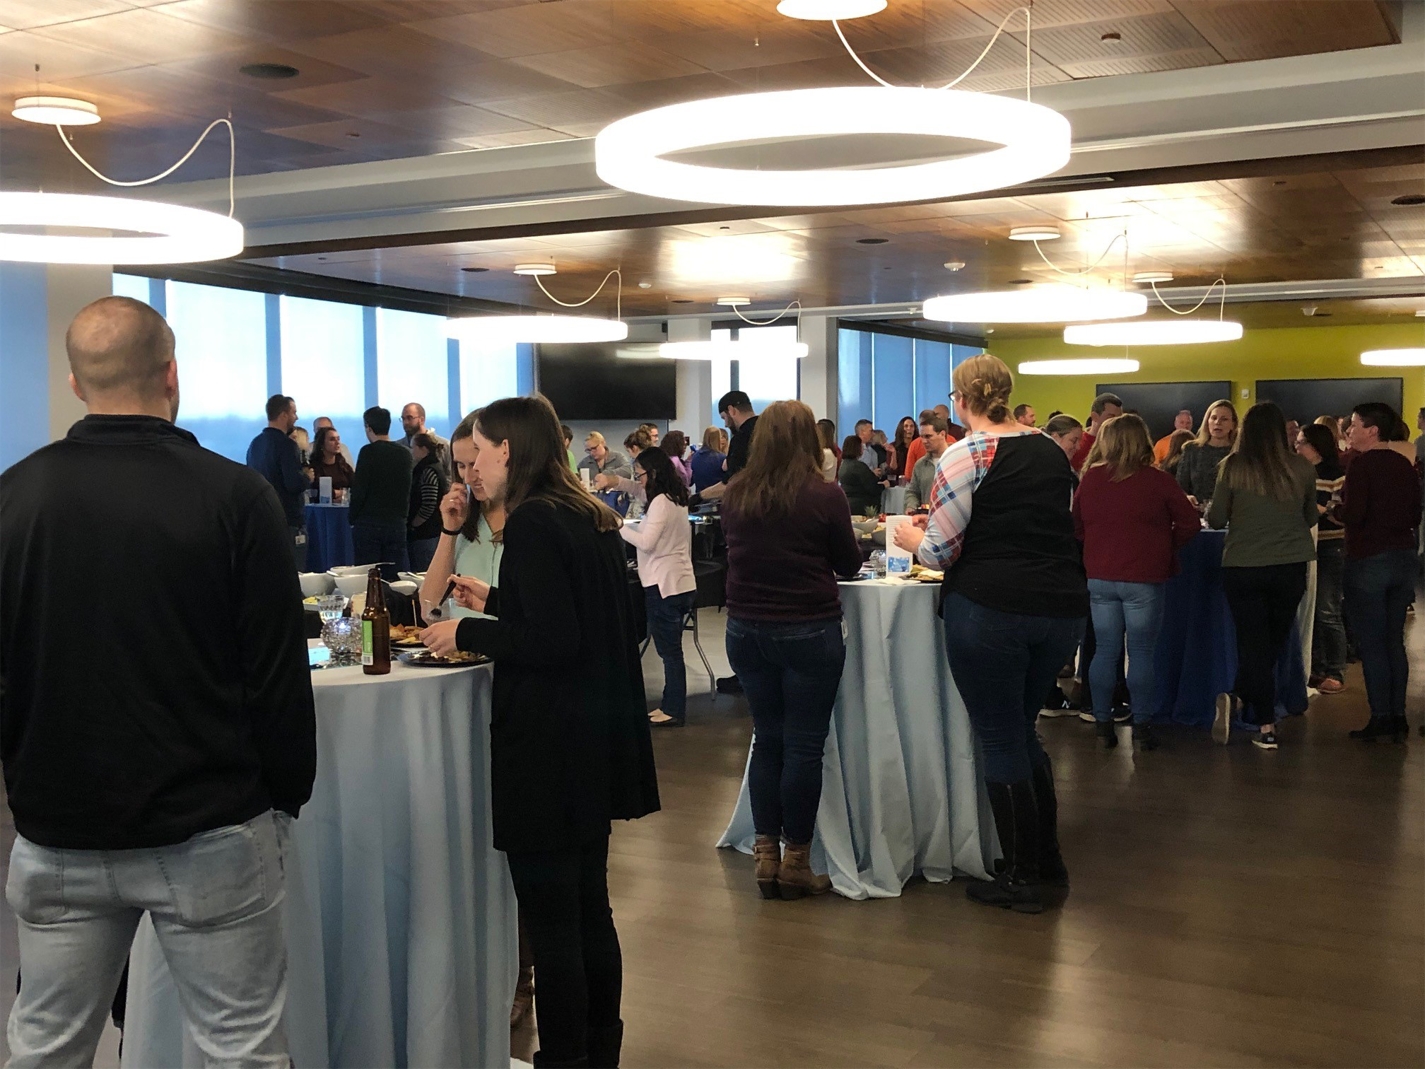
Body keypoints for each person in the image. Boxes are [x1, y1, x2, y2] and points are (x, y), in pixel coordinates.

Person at [1, 296, 314, 1066]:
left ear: (75, 384)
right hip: (212, 822)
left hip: (57, 825)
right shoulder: (235, 497)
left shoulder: (12, 497)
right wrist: (283, 800)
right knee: (239, 1048)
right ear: (172, 374)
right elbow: (277, 671)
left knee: (45, 1045)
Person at [420, 395, 658, 1069]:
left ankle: (564, 1054)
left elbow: (551, 640)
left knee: (553, 919)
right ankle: (596, 1048)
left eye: (483, 449)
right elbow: (580, 618)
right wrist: (495, 600)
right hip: (591, 738)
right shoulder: (585, 514)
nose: (473, 470)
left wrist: (466, 629)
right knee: (588, 909)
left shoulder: (531, 523)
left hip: (547, 745)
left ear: (509, 449)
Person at [894, 354, 1086, 914]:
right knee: (1023, 733)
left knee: (1000, 738)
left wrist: (910, 539)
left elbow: (940, 551)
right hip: (1059, 606)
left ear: (960, 400)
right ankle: (1044, 860)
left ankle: (1027, 876)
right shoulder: (1051, 449)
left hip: (991, 607)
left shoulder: (965, 454)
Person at [720, 400, 862, 899]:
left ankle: (765, 854)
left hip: (744, 629)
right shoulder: (825, 495)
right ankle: (797, 861)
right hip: (807, 629)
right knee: (803, 746)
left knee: (768, 738)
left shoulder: (736, 493)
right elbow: (848, 566)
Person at [1073, 415, 1200, 751]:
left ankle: (1103, 724)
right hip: (1144, 577)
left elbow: (1077, 526)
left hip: (1100, 576)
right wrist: (1165, 546)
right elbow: (1190, 523)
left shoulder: (1091, 479)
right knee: (1141, 653)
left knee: (1105, 650)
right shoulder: (1157, 481)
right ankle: (1142, 726)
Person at [1207, 402, 1317, 750]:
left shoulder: (1232, 467)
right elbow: (1311, 516)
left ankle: (1259, 717)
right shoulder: (1301, 467)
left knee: (1253, 642)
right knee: (1271, 642)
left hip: (1243, 565)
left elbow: (1217, 519)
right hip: (1291, 565)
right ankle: (1249, 704)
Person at [1340, 402, 1422, 741]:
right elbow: (1415, 512)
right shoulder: (1405, 465)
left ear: (1372, 430)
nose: (1349, 432)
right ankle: (1399, 717)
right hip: (1404, 557)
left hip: (1370, 558)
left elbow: (1354, 514)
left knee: (1372, 643)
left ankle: (1381, 718)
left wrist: (1335, 510)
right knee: (1394, 641)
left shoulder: (1362, 466)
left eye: (1355, 425)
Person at [620, 447, 697, 727]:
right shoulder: (674, 497)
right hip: (679, 581)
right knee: (670, 650)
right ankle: (669, 704)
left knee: (670, 652)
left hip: (665, 585)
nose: (637, 480)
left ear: (651, 473)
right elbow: (639, 496)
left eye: (639, 475)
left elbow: (646, 543)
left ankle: (673, 709)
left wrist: (617, 523)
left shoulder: (662, 502)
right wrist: (616, 482)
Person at [419, 410, 506, 626]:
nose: (469, 477)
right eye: (460, 465)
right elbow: (430, 608)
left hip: (509, 653)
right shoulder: (466, 520)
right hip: (465, 653)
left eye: (475, 463)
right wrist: (449, 530)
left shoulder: (532, 520)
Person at [1295, 423, 1347, 695]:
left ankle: (1336, 670)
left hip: (1329, 544)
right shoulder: (1297, 472)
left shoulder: (1335, 474)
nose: (1297, 446)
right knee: (1309, 608)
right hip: (1304, 544)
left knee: (1328, 610)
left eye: (1302, 441)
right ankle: (1315, 667)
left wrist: (1318, 508)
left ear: (1316, 445)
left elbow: (1334, 510)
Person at [246, 393, 311, 570]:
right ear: (283, 415)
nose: (296, 418)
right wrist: (307, 478)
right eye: (294, 413)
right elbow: (293, 484)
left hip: (263, 520)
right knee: (295, 573)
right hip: (288, 520)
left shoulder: (255, 444)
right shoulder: (287, 445)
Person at [349, 405, 414, 581]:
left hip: (369, 523)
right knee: (394, 577)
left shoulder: (367, 452)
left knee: (369, 577)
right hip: (396, 523)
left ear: (368, 427)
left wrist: (352, 518)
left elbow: (359, 490)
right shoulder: (405, 454)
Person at [1177, 399, 1239, 505]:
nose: (1217, 422)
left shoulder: (1239, 452)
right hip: (1197, 513)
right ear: (1207, 421)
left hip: (1232, 515)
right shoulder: (1192, 450)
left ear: (1233, 424)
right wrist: (1186, 497)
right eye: (1214, 418)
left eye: (1224, 419)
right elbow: (1179, 487)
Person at [407, 432, 451, 571]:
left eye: (413, 447)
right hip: (432, 531)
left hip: (426, 533)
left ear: (423, 449)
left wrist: (414, 524)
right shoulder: (436, 467)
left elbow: (429, 504)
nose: (411, 451)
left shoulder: (427, 472)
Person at [904, 411, 950, 511]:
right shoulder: (920, 465)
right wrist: (911, 506)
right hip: (926, 520)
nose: (924, 441)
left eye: (928, 436)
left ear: (942, 434)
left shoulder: (957, 460)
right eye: (922, 437)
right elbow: (912, 492)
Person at [1070, 392, 1123, 470]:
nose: (1117, 423)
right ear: (1094, 416)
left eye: (1119, 418)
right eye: (1111, 417)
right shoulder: (1077, 445)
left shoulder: (1123, 445)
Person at [838, 435, 884, 516]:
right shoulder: (859, 466)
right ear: (857, 448)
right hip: (862, 507)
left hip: (847, 503)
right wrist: (884, 485)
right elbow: (872, 488)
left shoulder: (843, 465)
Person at [720, 391, 759, 479]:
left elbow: (732, 481)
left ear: (731, 410)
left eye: (724, 418)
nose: (725, 425)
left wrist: (701, 493)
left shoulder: (741, 438)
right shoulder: (770, 430)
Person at [310, 425, 355, 495]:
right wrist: (337, 493)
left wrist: (343, 494)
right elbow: (316, 490)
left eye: (338, 439)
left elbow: (355, 487)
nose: (337, 443)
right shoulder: (313, 467)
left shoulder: (344, 466)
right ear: (322, 444)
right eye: (332, 439)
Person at [690, 425, 727, 492]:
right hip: (716, 498)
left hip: (699, 497)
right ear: (718, 439)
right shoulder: (721, 458)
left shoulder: (695, 456)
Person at [890, 415, 918, 482]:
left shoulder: (918, 445)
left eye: (911, 426)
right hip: (898, 483)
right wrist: (894, 454)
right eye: (906, 426)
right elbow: (892, 471)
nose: (909, 429)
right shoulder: (893, 446)